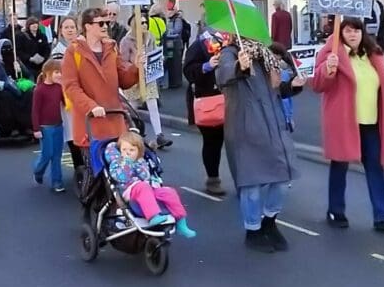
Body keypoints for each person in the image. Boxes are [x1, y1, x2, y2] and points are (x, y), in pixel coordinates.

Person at [310, 17, 384, 233]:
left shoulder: (372, 55)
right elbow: (317, 84)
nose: (352, 35)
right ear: (340, 34)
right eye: (347, 31)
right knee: (340, 165)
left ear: (363, 33)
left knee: (375, 167)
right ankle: (335, 210)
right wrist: (328, 68)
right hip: (345, 121)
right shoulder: (332, 53)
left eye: (356, 31)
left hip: (371, 121)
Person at [216, 37, 305, 253]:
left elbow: (274, 90)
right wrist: (240, 66)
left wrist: (291, 86)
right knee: (252, 186)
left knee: (282, 180)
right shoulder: (230, 52)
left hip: (273, 125)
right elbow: (222, 76)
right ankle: (253, 230)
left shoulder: (265, 55)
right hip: (246, 128)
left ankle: (269, 221)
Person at [61, 7, 140, 151]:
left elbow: (123, 81)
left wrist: (136, 68)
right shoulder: (73, 51)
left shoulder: (112, 48)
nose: (105, 27)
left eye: (107, 23)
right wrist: (91, 106)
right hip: (90, 124)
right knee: (97, 170)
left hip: (115, 120)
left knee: (120, 169)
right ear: (87, 26)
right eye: (101, 23)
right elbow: (71, 87)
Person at [105, 131, 196, 238]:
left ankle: (181, 221)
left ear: (139, 151)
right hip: (129, 190)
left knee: (169, 192)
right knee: (143, 187)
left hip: (147, 188)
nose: (127, 153)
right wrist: (127, 164)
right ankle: (153, 216)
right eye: (124, 150)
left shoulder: (141, 161)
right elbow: (120, 177)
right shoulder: (118, 161)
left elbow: (145, 176)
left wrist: (138, 165)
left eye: (131, 150)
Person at [183, 30, 230, 196]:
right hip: (208, 101)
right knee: (213, 142)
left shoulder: (232, 43)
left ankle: (245, 180)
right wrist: (207, 66)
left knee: (236, 143)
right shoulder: (199, 45)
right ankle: (213, 179)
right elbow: (188, 71)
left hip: (231, 99)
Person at [119, 15, 172, 149]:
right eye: (142, 23)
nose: (145, 25)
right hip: (134, 78)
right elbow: (122, 61)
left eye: (146, 22)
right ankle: (130, 135)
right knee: (132, 108)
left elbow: (155, 52)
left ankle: (159, 135)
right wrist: (134, 64)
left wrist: (158, 59)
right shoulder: (126, 41)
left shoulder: (150, 37)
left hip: (148, 76)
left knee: (152, 104)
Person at [49, 16, 84, 170]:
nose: (70, 30)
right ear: (61, 31)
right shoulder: (58, 51)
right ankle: (79, 166)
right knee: (72, 131)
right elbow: (55, 74)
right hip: (67, 97)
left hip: (84, 94)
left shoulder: (83, 47)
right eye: (66, 28)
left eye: (72, 27)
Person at [31, 59, 66, 193]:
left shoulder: (58, 87)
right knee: (47, 154)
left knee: (57, 155)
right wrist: (36, 128)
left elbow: (65, 101)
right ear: (47, 73)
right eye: (57, 72)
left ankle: (57, 181)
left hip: (58, 125)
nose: (59, 75)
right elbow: (35, 111)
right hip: (45, 127)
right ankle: (38, 171)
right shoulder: (39, 90)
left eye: (61, 72)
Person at [269, 42, 299, 133]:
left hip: (280, 119)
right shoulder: (268, 73)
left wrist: (288, 118)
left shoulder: (282, 73)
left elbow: (286, 99)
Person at [164, 7, 186, 88]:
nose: (168, 12)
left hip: (176, 44)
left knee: (176, 64)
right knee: (172, 64)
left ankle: (177, 82)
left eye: (170, 10)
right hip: (170, 44)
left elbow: (177, 30)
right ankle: (172, 82)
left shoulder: (178, 20)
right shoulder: (170, 19)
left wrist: (168, 32)